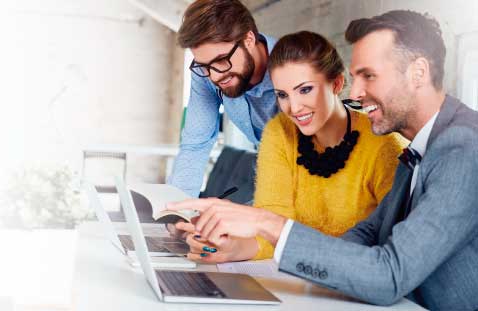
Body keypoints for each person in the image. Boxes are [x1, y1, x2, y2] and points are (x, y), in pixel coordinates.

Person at [168, 10, 478, 310]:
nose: (355, 92)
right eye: (355, 77)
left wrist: (267, 223)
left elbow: (389, 274)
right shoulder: (422, 145)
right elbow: (369, 233)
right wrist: (245, 243)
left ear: (418, 73)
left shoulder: (461, 146)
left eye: (369, 76)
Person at [171, 31, 408, 263]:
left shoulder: (383, 144)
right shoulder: (279, 132)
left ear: (336, 84)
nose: (294, 108)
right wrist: (232, 249)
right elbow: (271, 226)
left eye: (305, 90)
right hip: (298, 279)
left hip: (355, 285)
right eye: (282, 95)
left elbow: (388, 251)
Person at [168, 0, 279, 198]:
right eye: (204, 65)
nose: (214, 76)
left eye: (221, 60)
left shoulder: (293, 70)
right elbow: (196, 143)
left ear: (249, 39)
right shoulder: (206, 72)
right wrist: (179, 209)